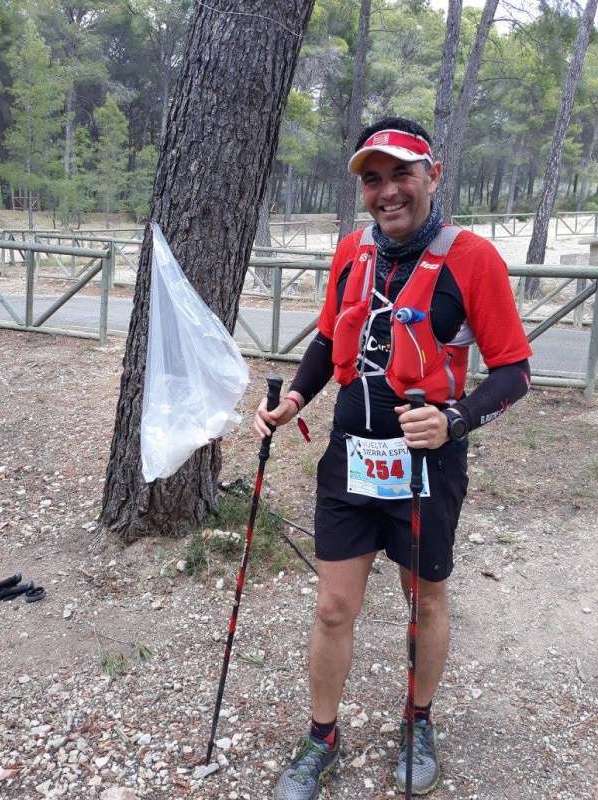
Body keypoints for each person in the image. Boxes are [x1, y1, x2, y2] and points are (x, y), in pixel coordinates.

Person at [254, 116, 532, 799]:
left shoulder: (471, 259)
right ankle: (322, 737)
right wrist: (295, 399)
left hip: (426, 467)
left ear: (433, 175)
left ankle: (418, 722)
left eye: (401, 174)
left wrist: (455, 420)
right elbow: (329, 340)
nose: (387, 192)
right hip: (351, 460)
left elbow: (515, 371)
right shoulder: (352, 251)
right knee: (332, 608)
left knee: (424, 602)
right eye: (373, 180)